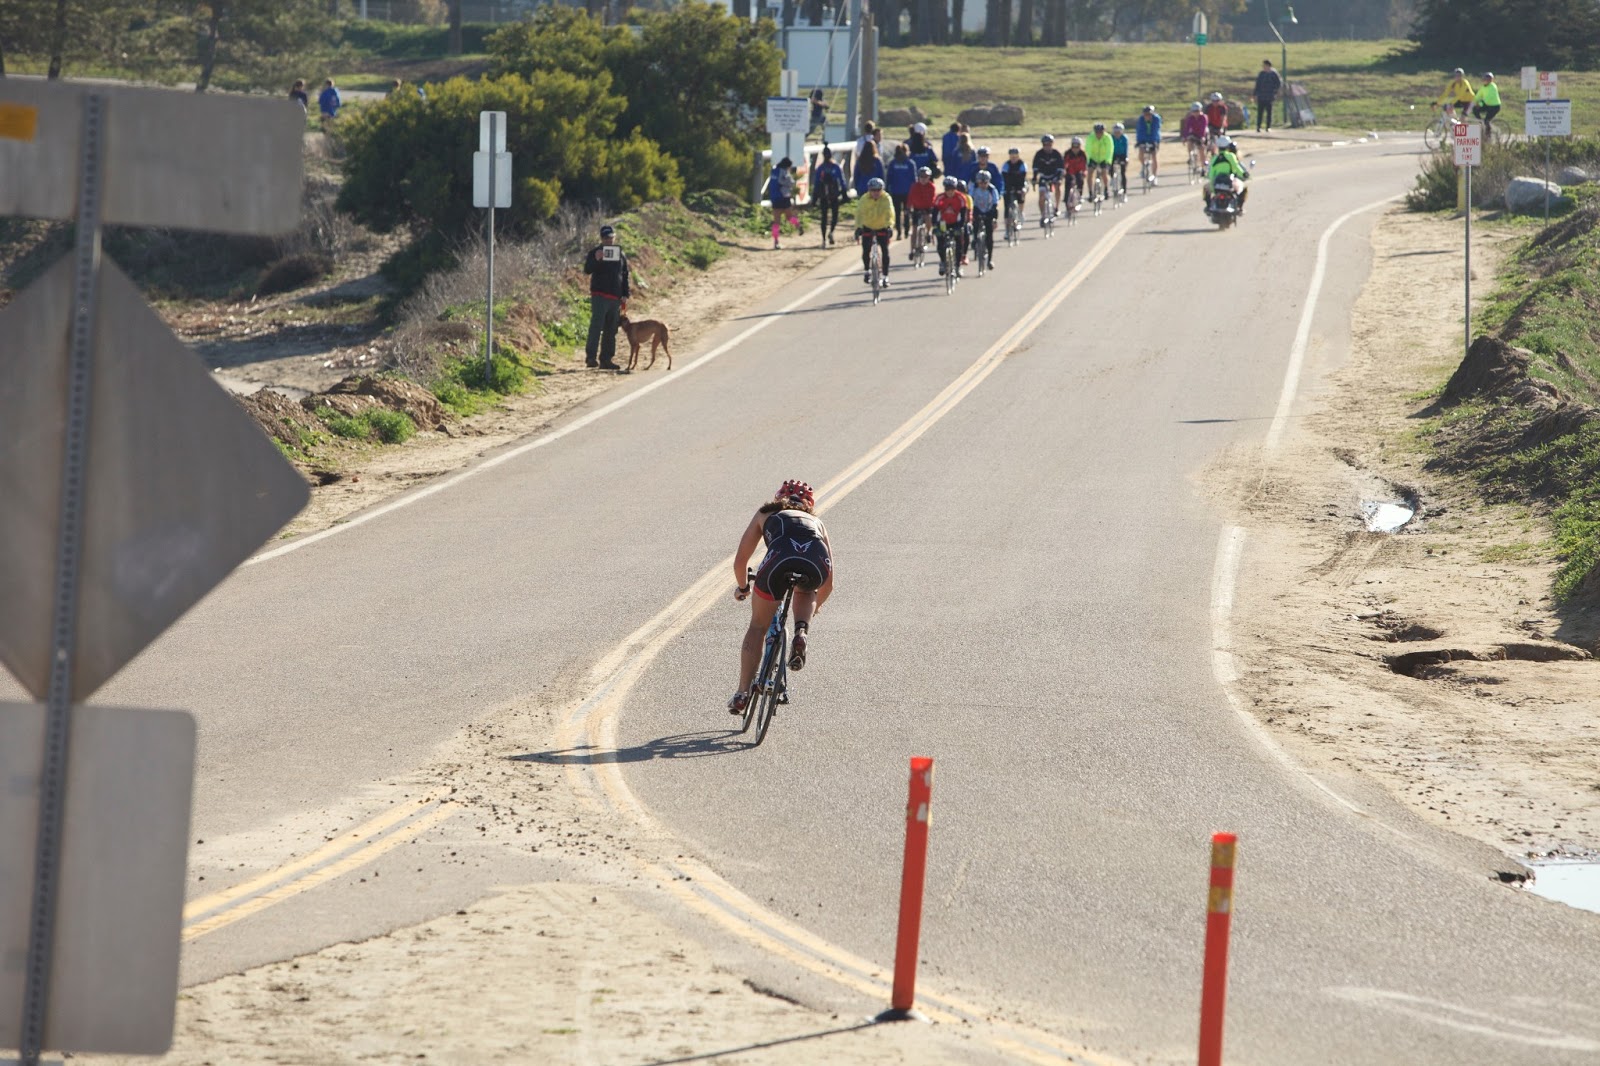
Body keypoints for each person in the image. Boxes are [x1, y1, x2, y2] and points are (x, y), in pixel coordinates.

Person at [728, 480, 834, 715]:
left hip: (779, 558)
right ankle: (801, 633)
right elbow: (829, 584)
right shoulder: (817, 522)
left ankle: (742, 693)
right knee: (806, 590)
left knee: (758, 626)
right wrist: (814, 608)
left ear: (778, 497)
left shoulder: (767, 512)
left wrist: (743, 588)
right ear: (809, 504)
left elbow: (740, 561)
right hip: (814, 563)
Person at [583, 224, 630, 370]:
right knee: (596, 326)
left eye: (610, 237)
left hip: (615, 297)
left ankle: (606, 359)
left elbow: (624, 275)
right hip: (599, 295)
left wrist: (625, 294)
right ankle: (591, 358)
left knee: (611, 329)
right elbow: (587, 270)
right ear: (601, 239)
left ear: (614, 237)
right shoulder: (595, 252)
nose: (609, 240)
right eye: (605, 238)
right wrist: (596, 259)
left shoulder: (620, 254)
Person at [854, 176, 895, 285]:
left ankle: (885, 276)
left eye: (878, 190)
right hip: (868, 226)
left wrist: (889, 226)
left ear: (882, 190)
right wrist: (858, 227)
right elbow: (859, 214)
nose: (876, 192)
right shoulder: (864, 199)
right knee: (866, 250)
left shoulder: (886, 198)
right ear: (869, 190)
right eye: (873, 190)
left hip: (882, 226)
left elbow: (890, 212)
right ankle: (867, 270)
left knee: (885, 251)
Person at [932, 176, 969, 276]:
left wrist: (961, 226)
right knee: (940, 241)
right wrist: (935, 226)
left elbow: (963, 213)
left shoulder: (961, 197)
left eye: (952, 189)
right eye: (947, 189)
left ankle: (957, 266)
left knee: (959, 243)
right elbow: (935, 212)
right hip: (943, 223)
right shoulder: (940, 198)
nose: (949, 192)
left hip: (956, 222)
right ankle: (943, 261)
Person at [1205, 135, 1249, 213]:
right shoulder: (1231, 156)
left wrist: (1211, 181)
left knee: (1206, 189)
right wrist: (1244, 174)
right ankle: (1240, 207)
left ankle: (1208, 206)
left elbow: (1211, 173)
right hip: (1230, 181)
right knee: (1244, 187)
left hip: (1216, 182)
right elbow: (1236, 167)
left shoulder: (1215, 158)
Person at [812, 146, 846, 246]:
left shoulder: (821, 168)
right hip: (833, 194)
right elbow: (842, 180)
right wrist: (844, 192)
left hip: (824, 195)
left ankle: (824, 238)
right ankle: (830, 233)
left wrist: (814, 197)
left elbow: (816, 183)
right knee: (834, 215)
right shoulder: (835, 167)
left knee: (824, 217)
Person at [969, 170, 1001, 271]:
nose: (983, 185)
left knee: (989, 236)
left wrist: (994, 219)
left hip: (989, 211)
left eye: (985, 183)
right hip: (977, 209)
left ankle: (989, 260)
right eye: (980, 183)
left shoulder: (992, 189)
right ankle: (975, 239)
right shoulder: (974, 188)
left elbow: (995, 203)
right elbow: (970, 200)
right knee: (975, 224)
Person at [885, 143, 918, 239]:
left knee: (897, 212)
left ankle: (899, 232)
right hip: (907, 192)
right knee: (907, 212)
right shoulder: (910, 163)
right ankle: (906, 231)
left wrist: (887, 189)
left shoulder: (893, 163)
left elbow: (889, 178)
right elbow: (914, 179)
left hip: (895, 191)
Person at [765, 157, 798, 249]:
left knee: (776, 222)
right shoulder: (783, 172)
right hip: (783, 197)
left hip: (774, 198)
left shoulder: (773, 171)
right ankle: (797, 225)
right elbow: (790, 182)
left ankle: (776, 242)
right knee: (789, 217)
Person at [1032, 134, 1064, 224]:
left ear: (1052, 144)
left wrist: (1059, 177)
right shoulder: (1039, 154)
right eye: (1045, 144)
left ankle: (1056, 207)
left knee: (1058, 186)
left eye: (1049, 144)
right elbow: (1035, 168)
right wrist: (1034, 177)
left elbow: (1061, 168)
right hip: (1043, 176)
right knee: (1041, 195)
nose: (1047, 146)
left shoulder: (1056, 154)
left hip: (1054, 175)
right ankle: (1043, 215)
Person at [906, 166, 938, 258]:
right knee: (914, 229)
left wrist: (931, 207)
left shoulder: (931, 186)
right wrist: (908, 208)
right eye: (921, 177)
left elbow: (933, 198)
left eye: (926, 177)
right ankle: (912, 250)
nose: (923, 179)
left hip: (927, 208)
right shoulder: (914, 186)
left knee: (928, 217)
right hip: (917, 208)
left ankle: (928, 232)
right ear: (918, 177)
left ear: (929, 177)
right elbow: (910, 198)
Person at [1085, 122, 1115, 200]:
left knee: (1104, 173)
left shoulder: (1107, 138)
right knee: (1090, 173)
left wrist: (1108, 161)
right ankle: (1090, 192)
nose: (1098, 134)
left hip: (1104, 158)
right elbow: (1088, 149)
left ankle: (1106, 189)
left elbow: (1110, 150)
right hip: (1093, 158)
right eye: (1097, 132)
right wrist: (1088, 160)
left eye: (1100, 132)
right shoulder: (1091, 137)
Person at [1000, 147, 1028, 225]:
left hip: (1020, 184)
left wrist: (1020, 188)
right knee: (1007, 204)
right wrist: (1007, 189)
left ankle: (1021, 212)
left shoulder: (1022, 164)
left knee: (1022, 194)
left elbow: (1023, 177)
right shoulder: (1006, 165)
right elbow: (1004, 177)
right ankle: (1007, 226)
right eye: (1012, 156)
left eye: (1015, 156)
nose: (1013, 158)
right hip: (1009, 184)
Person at [1254, 60, 1283, 132]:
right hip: (1261, 96)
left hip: (1269, 96)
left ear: (1268, 66)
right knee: (1260, 112)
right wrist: (1255, 94)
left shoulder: (1274, 74)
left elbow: (1278, 84)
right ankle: (1258, 126)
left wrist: (1275, 91)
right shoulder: (1261, 74)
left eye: (1265, 65)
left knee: (1269, 112)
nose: (1263, 67)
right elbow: (1258, 84)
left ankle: (1268, 127)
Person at [1135, 105, 1162, 181]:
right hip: (1143, 139)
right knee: (1141, 153)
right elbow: (1140, 131)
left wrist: (1154, 142)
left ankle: (1154, 175)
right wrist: (1139, 141)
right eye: (1145, 114)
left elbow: (1155, 131)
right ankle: (1144, 166)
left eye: (1149, 114)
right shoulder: (1141, 119)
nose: (1147, 116)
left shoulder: (1156, 119)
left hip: (1154, 139)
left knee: (1154, 155)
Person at [1472, 72, 1502, 140]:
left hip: (1495, 106)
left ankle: (1488, 135)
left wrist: (1479, 104)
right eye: (1485, 79)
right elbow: (1477, 96)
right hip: (1488, 105)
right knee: (1475, 109)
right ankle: (1481, 122)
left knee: (1487, 120)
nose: (1486, 80)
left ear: (1491, 80)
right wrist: (1473, 102)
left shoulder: (1493, 87)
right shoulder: (1483, 87)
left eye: (1489, 79)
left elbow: (1487, 99)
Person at [1063, 135, 1089, 207]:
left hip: (1078, 171)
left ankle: (1080, 195)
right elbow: (1064, 163)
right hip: (1070, 171)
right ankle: (1066, 199)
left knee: (1080, 180)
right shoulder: (1067, 153)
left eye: (1077, 146)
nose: (1075, 149)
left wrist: (1085, 171)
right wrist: (1064, 170)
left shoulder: (1083, 154)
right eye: (1073, 146)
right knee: (1068, 183)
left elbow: (1085, 164)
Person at [1180, 102, 1208, 167]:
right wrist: (1184, 137)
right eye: (1194, 111)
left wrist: (1202, 137)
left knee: (1201, 148)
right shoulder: (1190, 118)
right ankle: (1190, 156)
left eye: (1197, 111)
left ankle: (1203, 165)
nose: (1195, 113)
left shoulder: (1203, 117)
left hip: (1202, 134)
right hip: (1194, 134)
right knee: (1189, 141)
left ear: (1200, 110)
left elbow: (1203, 128)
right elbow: (1187, 128)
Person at [1110, 122, 1130, 195]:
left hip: (1122, 155)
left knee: (1123, 172)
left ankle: (1124, 190)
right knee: (1110, 166)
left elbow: (1126, 149)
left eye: (1118, 132)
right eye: (1115, 132)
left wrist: (1126, 158)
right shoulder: (1111, 138)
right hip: (1113, 154)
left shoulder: (1124, 138)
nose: (1117, 133)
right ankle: (1112, 178)